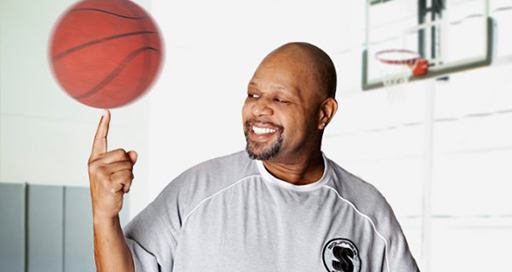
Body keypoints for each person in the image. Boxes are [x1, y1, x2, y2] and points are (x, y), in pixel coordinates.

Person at [87, 42, 420, 272]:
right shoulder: (197, 190)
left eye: (281, 99)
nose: (259, 108)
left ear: (323, 113)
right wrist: (104, 216)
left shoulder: (366, 211)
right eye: (253, 94)